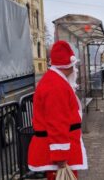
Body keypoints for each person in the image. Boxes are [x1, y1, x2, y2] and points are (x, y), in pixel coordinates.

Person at [28, 40, 88, 180]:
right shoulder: (56, 86)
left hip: (59, 150)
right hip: (59, 157)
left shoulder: (54, 81)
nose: (75, 69)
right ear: (67, 65)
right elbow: (57, 123)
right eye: (74, 65)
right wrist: (61, 156)